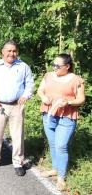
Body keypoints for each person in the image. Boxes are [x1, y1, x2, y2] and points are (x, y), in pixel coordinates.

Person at [0, 40, 34, 176]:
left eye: (14, 51)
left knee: (17, 135)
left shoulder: (23, 66)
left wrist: (26, 95)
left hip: (17, 106)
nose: (12, 53)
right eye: (9, 51)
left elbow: (30, 84)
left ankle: (18, 162)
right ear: (3, 52)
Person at [37, 54, 85, 191]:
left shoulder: (76, 80)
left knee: (61, 145)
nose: (54, 67)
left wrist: (68, 102)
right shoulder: (48, 76)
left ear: (67, 67)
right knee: (53, 144)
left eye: (57, 66)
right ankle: (55, 169)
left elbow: (81, 99)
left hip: (67, 117)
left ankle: (61, 177)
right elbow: (40, 90)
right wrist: (43, 97)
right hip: (49, 115)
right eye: (53, 64)